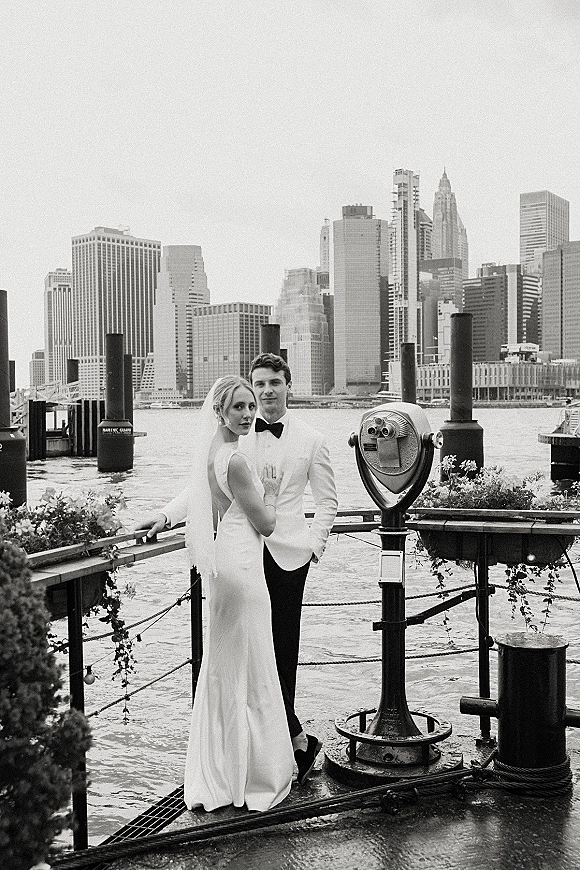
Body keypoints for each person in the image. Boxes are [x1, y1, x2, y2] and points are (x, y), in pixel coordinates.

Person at [136, 354, 338, 785]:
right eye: (259, 384)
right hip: (241, 554)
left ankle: (282, 742)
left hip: (287, 556)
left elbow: (327, 502)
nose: (265, 393)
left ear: (288, 384)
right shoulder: (238, 433)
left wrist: (313, 547)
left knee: (280, 651)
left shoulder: (312, 439)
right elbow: (205, 485)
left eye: (274, 383)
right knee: (248, 652)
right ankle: (284, 743)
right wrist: (166, 517)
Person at [148, 375, 294, 812]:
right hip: (243, 568)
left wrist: (162, 516)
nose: (249, 414)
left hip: (222, 567)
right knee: (253, 665)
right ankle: (253, 776)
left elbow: (195, 493)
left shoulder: (214, 450)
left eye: (252, 406)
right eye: (240, 408)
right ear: (220, 411)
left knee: (226, 665)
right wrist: (270, 491)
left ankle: (221, 771)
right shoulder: (235, 462)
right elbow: (266, 524)